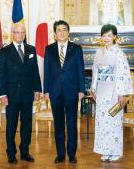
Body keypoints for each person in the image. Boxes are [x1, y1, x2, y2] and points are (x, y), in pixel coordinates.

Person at [0, 23, 42, 164]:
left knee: (27, 124)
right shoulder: (4, 51)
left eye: (23, 32)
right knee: (11, 125)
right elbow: (2, 75)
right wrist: (2, 94)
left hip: (28, 93)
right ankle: (11, 153)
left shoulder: (31, 49)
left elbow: (35, 71)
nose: (20, 35)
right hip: (11, 95)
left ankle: (25, 152)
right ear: (12, 34)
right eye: (17, 32)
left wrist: (37, 89)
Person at [44, 20, 85, 163]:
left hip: (72, 91)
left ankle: (72, 154)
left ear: (68, 32)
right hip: (55, 92)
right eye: (59, 30)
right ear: (55, 34)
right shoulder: (49, 49)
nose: (62, 32)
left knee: (71, 124)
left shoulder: (76, 49)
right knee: (59, 124)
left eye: (64, 29)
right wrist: (46, 90)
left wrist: (81, 89)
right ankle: (60, 154)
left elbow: (81, 70)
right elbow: (47, 71)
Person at [90, 24, 133, 162]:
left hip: (114, 91)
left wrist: (122, 94)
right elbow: (95, 72)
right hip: (102, 91)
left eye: (109, 35)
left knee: (113, 121)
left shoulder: (119, 53)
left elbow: (123, 74)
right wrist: (93, 88)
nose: (106, 38)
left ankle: (115, 151)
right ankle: (105, 150)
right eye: (104, 35)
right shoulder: (99, 52)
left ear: (115, 37)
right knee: (102, 122)